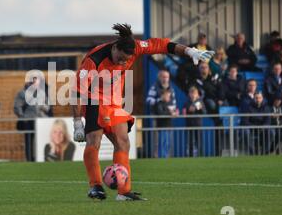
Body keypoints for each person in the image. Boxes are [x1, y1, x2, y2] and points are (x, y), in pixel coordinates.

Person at [72, 23, 214, 201]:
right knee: (95, 140)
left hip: (114, 103)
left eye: (126, 60)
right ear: (115, 47)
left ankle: (123, 192)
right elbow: (77, 92)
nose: (123, 63)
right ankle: (96, 186)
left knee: (123, 142)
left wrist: (190, 52)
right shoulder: (93, 60)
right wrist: (77, 123)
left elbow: (163, 45)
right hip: (93, 99)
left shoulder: (136, 47)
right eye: (120, 59)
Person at [14, 76, 52, 162]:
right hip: (28, 120)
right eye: (33, 83)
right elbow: (17, 107)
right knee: (29, 141)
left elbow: (48, 108)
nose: (35, 85)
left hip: (40, 120)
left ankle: (41, 158)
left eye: (37, 83)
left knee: (41, 140)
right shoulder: (22, 93)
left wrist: (42, 106)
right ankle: (30, 159)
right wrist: (23, 117)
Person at [183, 86, 207, 157]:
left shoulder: (200, 102)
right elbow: (184, 113)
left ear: (197, 94)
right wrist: (188, 110)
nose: (193, 95)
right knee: (190, 142)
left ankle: (200, 155)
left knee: (199, 141)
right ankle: (190, 156)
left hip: (198, 125)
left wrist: (197, 108)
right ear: (189, 94)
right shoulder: (186, 103)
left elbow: (204, 112)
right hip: (189, 125)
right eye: (191, 93)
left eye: (194, 93)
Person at [152, 89, 176, 158]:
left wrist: (174, 113)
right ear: (163, 95)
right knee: (162, 143)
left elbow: (169, 113)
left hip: (168, 126)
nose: (169, 97)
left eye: (169, 96)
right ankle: (162, 157)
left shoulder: (168, 104)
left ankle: (166, 157)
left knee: (167, 144)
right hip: (162, 127)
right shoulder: (159, 103)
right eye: (168, 96)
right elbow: (160, 114)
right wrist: (170, 113)